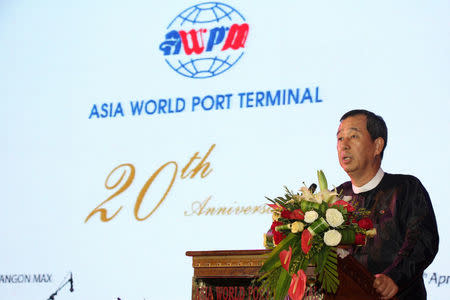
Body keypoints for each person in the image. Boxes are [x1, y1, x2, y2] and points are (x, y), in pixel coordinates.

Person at [335, 109, 439, 300]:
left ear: (377, 145)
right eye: (340, 138)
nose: (344, 145)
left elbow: (422, 241)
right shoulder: (335, 199)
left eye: (353, 136)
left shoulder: (406, 188)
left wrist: (394, 278)